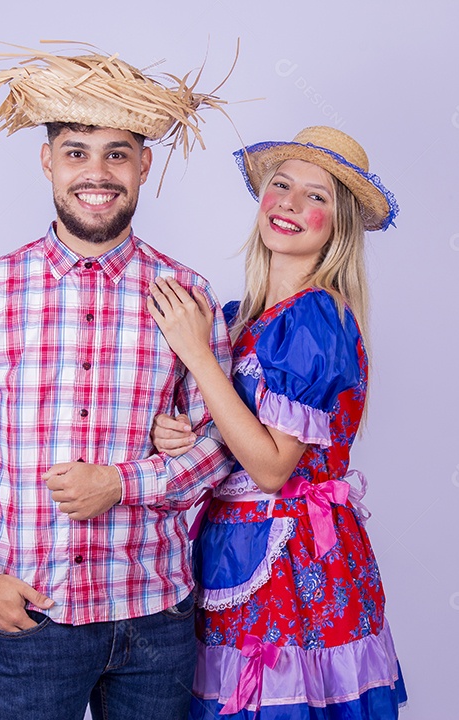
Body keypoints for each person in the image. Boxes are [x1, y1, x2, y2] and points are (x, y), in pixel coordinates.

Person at [0, 43, 234, 720]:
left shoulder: (187, 297)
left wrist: (122, 484)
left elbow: (219, 447)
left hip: (157, 615)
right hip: (34, 615)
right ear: (48, 161)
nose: (98, 172)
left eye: (118, 153)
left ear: (144, 165)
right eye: (77, 151)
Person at [148, 125, 409, 718]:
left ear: (338, 225)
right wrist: (185, 432)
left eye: (316, 196)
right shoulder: (244, 317)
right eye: (281, 185)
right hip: (229, 548)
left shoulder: (317, 318)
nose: (289, 203)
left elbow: (270, 468)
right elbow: (237, 433)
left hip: (292, 565)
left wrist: (195, 354)